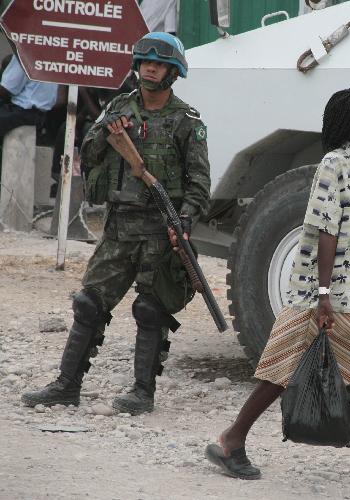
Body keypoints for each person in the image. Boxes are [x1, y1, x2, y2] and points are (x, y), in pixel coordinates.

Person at [203, 86, 350, 494]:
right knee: (281, 370)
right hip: (321, 293)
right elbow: (324, 230)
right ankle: (230, 441)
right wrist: (324, 294)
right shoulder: (334, 164)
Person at [21, 32, 211, 416]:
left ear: (173, 72)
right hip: (119, 227)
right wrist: (110, 132)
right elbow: (88, 151)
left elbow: (199, 182)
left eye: (159, 64)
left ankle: (142, 393)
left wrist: (185, 219)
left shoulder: (186, 121)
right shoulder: (119, 108)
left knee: (151, 309)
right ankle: (66, 386)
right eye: (145, 63)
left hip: (161, 229)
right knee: (89, 303)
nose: (151, 69)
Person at [0, 54, 58, 139]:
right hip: (39, 115)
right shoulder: (53, 56)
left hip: (22, 112)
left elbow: (5, 90)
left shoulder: (24, 53)